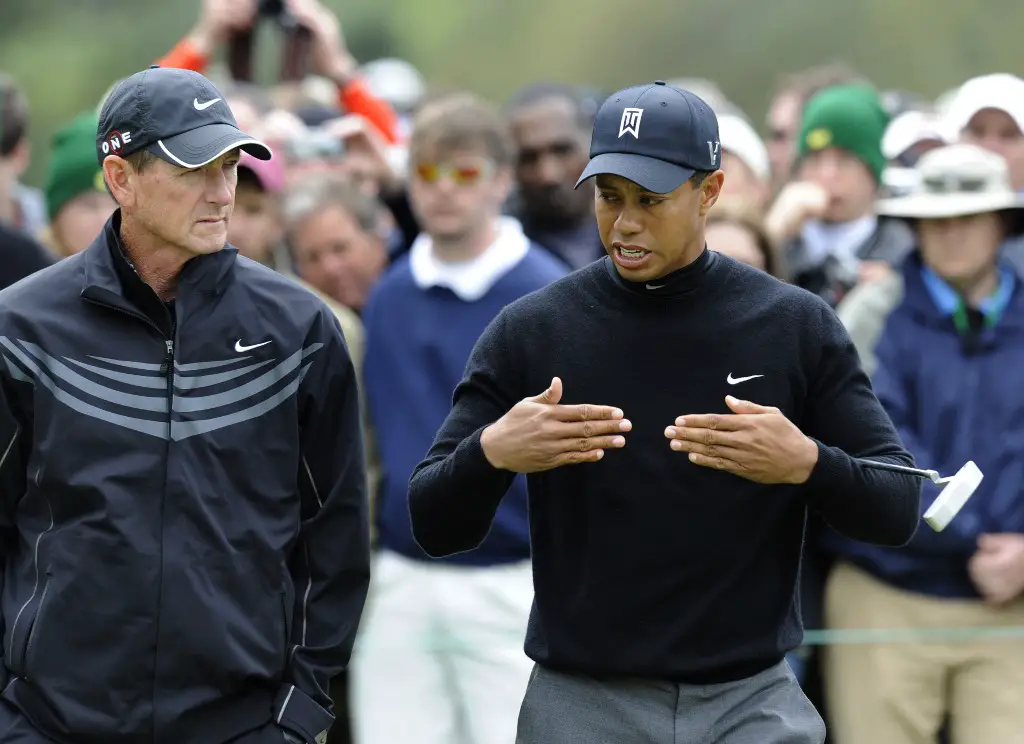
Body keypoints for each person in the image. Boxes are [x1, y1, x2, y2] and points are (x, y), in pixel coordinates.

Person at [407, 80, 921, 744]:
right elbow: (432, 521)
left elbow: (898, 507)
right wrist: (492, 454)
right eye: (608, 197)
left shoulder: (794, 325)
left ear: (709, 191)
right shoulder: (533, 329)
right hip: (582, 703)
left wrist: (808, 464)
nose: (624, 223)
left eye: (650, 201)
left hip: (750, 701)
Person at [0, 66, 370, 744]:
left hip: (242, 728)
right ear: (121, 181)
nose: (222, 191)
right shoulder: (19, 329)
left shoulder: (299, 330)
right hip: (50, 725)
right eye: (196, 168)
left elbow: (336, 540)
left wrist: (301, 715)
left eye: (230, 165)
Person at [351, 92, 566, 744]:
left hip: (512, 576)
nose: (443, 191)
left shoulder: (547, 294)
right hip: (402, 575)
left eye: (464, 173)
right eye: (426, 174)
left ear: (502, 180)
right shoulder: (386, 297)